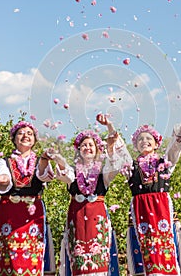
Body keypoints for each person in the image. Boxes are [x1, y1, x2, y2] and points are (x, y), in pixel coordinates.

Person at [99, 108, 181, 276]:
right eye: (140, 139)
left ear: (157, 144)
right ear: (135, 145)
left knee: (166, 249)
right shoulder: (131, 167)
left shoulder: (165, 163)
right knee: (144, 253)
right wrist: (109, 125)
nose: (144, 141)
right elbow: (119, 147)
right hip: (140, 212)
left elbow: (177, 144)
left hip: (161, 212)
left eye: (149, 138)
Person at [42, 115, 121, 276]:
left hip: (97, 221)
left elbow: (115, 164)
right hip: (77, 220)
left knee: (99, 260)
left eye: (91, 145)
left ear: (97, 149)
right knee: (78, 260)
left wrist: (110, 134)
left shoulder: (102, 172)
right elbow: (64, 173)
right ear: (78, 150)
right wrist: (57, 157)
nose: (87, 148)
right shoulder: (73, 170)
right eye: (84, 145)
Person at [0, 121, 55, 276]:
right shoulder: (4, 162)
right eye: (20, 133)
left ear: (34, 139)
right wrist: (4, 179)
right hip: (9, 213)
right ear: (14, 139)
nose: (25, 136)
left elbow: (43, 175)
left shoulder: (41, 161)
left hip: (33, 215)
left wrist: (45, 161)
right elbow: (4, 174)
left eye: (29, 133)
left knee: (33, 256)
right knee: (9, 257)